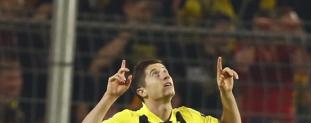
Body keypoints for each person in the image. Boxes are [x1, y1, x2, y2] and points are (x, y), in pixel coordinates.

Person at [82, 57, 241, 123]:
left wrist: (226, 93)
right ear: (142, 91)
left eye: (166, 72)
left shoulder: (187, 117)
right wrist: (109, 96)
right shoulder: (130, 119)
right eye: (155, 74)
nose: (165, 76)